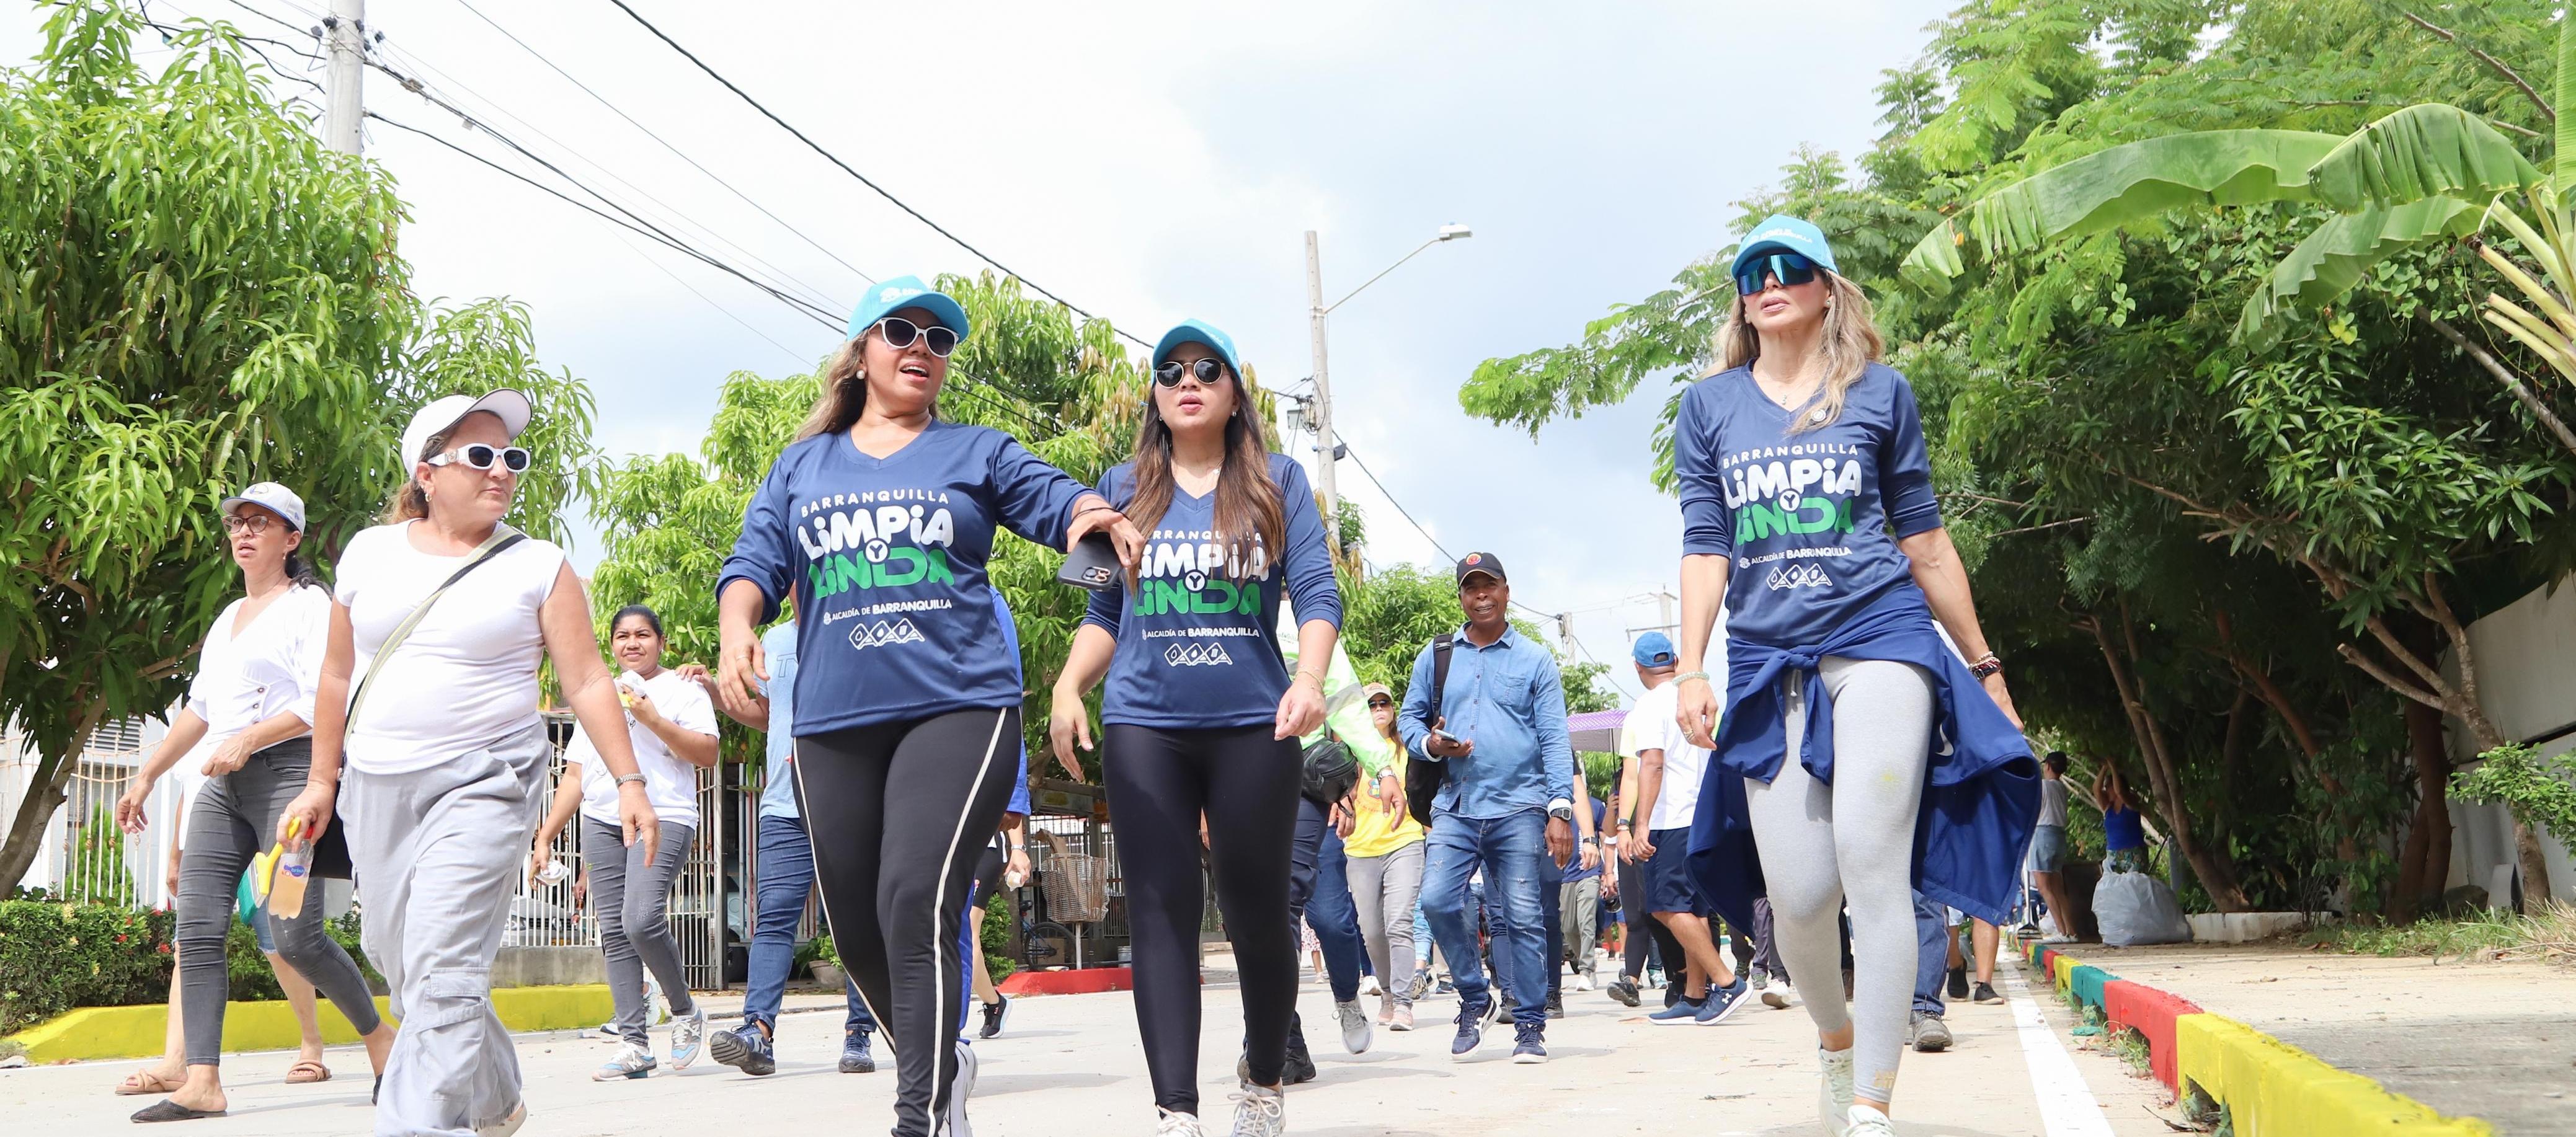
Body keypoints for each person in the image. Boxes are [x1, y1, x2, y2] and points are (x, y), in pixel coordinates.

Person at [716, 277, 1140, 1137]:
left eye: (939, 340)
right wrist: (736, 630)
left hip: (957, 705)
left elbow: (1059, 502)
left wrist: (1088, 517)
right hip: (833, 720)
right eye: (901, 330)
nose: (921, 347)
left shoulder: (975, 451)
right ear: (860, 352)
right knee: (862, 932)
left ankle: (923, 1114)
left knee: (915, 897)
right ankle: (938, 1060)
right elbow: (752, 559)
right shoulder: (803, 464)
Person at [1671, 215, 2035, 1137]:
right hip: (1766, 660)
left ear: (1828, 289)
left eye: (1792, 267)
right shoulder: (1708, 408)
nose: (1770, 279)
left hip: (1881, 639)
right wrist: (1687, 669)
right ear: (1742, 297)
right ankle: (1836, 1039)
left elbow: (1922, 538)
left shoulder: (1879, 393)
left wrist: (1982, 664)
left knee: (1871, 860)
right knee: (1796, 895)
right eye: (1754, 269)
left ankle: (1871, 1102)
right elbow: (1706, 546)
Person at [282, 391, 660, 1137]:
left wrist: (630, 780)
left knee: (446, 966)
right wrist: (322, 779)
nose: (502, 472)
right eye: (481, 456)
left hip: (486, 780)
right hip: (376, 783)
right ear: (425, 472)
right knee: (404, 965)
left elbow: (585, 680)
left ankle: (421, 1123)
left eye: (512, 458)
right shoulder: (369, 551)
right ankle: (496, 1101)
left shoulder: (539, 564)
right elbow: (334, 675)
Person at [1047, 319, 1337, 1137]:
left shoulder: (1278, 480)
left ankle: (1264, 1075)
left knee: (1253, 914)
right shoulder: (1119, 485)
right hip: (1145, 724)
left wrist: (1309, 679)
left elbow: (1317, 589)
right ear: (1155, 393)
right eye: (1170, 368)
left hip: (1255, 724)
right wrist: (1070, 684)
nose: (1188, 378)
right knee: (1160, 910)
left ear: (1232, 390)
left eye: (1207, 368)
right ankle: (1175, 1108)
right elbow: (1104, 608)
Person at [111, 484, 396, 1123]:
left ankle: (381, 1039)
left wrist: (251, 737)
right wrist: (146, 774)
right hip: (225, 785)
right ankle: (204, 1081)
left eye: (260, 524)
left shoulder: (310, 607)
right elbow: (202, 710)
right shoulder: (227, 618)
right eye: (237, 523)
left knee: (295, 935)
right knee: (198, 926)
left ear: (291, 539)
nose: (243, 533)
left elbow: (325, 700)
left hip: (292, 777)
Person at [1400, 552, 1579, 1064]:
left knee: (1522, 916)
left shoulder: (1535, 659)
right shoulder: (1436, 656)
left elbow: (1553, 738)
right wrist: (1434, 747)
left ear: (1506, 590)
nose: (1481, 595)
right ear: (1461, 596)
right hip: (1455, 805)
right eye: (1470, 588)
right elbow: (1411, 721)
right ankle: (1474, 994)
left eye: (1490, 586)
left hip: (1520, 807)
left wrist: (1560, 810)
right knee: (1435, 901)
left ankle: (1529, 1028)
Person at [531, 604, 719, 1080]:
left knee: (641, 918)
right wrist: (546, 836)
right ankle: (634, 1044)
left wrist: (652, 718)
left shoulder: (683, 689)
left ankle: (683, 1011)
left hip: (666, 814)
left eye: (642, 635)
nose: (632, 644)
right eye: (622, 636)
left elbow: (708, 754)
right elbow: (575, 774)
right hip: (601, 816)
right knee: (614, 931)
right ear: (611, 644)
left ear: (661, 642)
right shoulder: (597, 694)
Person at [695, 611, 883, 1077]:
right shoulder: (774, 639)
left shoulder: (861, 621)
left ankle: (859, 1033)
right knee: (774, 916)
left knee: (857, 922)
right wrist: (715, 695)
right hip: (783, 804)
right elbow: (767, 713)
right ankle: (757, 1032)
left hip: (849, 801)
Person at [1617, 632, 1748, 1027]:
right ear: (1675, 660)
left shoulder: (1647, 704)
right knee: (1694, 907)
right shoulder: (1698, 699)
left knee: (1665, 906)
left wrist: (1640, 822)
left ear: (1638, 668)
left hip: (1671, 818)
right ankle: (1694, 995)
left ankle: (1726, 982)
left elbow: (1651, 763)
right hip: (1705, 815)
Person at [1348, 683, 1428, 1031]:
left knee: (1399, 922)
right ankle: (1389, 997)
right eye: (1371, 704)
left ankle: (1405, 1002)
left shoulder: (1405, 748)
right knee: (1371, 931)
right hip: (1360, 850)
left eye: (1385, 703)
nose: (1380, 709)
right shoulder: (1350, 751)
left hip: (1404, 842)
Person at [1559, 792, 1607, 995]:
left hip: (1590, 872)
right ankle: (1587, 964)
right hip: (1566, 875)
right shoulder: (1558, 806)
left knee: (1587, 922)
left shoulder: (1596, 806)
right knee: (1568, 928)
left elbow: (1605, 840)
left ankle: (1586, 971)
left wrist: (1607, 872)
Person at [2032, 753, 2076, 942]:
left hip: (2042, 834)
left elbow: (2033, 811)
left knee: (2044, 887)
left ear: (2048, 766)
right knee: (2059, 888)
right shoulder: (2061, 788)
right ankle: (2071, 931)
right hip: (2059, 836)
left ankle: (2061, 932)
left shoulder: (2043, 787)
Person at [2096, 762, 2147, 875]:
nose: (2106, 790)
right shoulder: (2108, 806)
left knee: (2134, 888)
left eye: (2108, 787)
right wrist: (2105, 767)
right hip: (2113, 854)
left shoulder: (2131, 800)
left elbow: (2120, 792)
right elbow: (2096, 790)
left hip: (2133, 853)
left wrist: (2113, 767)